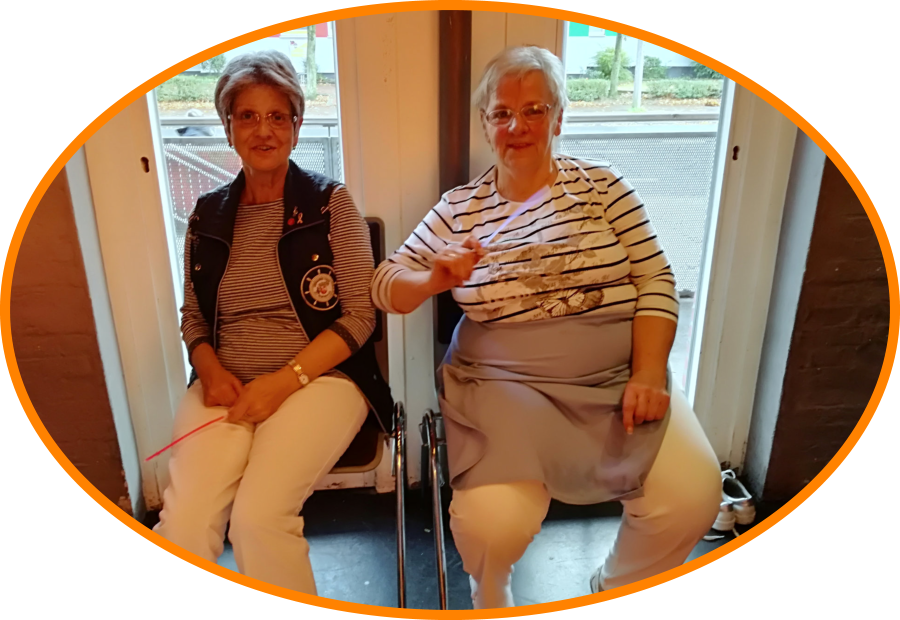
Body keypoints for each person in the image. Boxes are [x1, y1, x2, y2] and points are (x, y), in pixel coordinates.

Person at [371, 45, 721, 609]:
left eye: (535, 110)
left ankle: (614, 586)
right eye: (502, 113)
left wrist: (649, 371)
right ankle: (491, 595)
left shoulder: (605, 189)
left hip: (617, 376)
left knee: (691, 497)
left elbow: (656, 278)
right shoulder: (459, 209)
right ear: (485, 124)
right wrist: (433, 277)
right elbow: (385, 285)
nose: (518, 126)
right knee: (492, 523)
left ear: (559, 118)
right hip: (502, 384)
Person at [153, 50, 393, 595]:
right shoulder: (206, 214)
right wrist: (210, 371)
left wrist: (284, 382)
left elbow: (361, 316)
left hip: (322, 379)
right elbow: (193, 315)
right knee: (184, 523)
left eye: (277, 117)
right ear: (228, 127)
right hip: (227, 384)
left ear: (296, 126)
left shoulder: (330, 203)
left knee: (258, 519)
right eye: (247, 116)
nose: (263, 130)